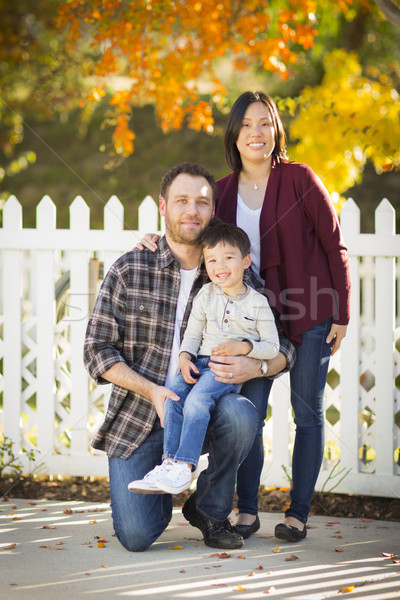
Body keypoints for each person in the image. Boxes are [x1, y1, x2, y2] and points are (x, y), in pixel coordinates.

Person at [137, 91, 351, 542]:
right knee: (251, 414)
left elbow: (335, 246)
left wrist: (342, 313)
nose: (256, 133)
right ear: (233, 134)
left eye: (265, 123)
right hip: (250, 324)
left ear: (276, 131)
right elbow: (197, 237)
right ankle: (248, 510)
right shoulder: (225, 190)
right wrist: (158, 239)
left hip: (308, 314)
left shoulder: (300, 179)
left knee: (306, 413)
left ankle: (298, 513)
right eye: (247, 125)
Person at [83, 161, 295, 552]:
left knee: (242, 414)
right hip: (142, 416)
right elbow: (96, 350)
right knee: (135, 535)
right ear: (163, 206)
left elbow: (284, 347)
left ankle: (208, 509)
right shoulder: (130, 268)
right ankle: (165, 483)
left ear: (213, 210)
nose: (192, 210)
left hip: (206, 403)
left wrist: (257, 362)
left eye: (202, 202)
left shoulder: (229, 271)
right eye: (181, 200)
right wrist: (153, 391)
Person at [128, 221, 279, 496]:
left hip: (223, 368)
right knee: (173, 397)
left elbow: (272, 347)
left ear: (246, 262)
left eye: (228, 258)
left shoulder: (257, 302)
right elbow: (192, 334)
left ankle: (185, 465)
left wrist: (244, 347)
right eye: (212, 260)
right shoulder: (205, 295)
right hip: (198, 362)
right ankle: (169, 464)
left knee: (198, 400)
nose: (220, 266)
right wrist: (185, 358)